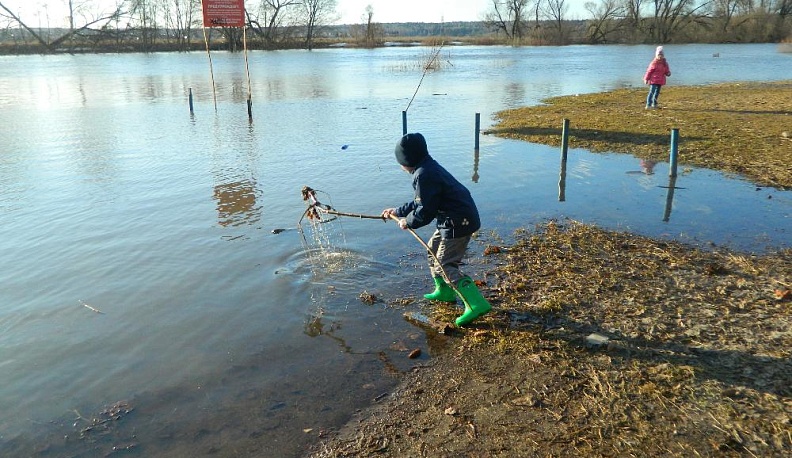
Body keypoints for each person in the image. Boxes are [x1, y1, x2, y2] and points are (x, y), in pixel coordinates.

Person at [381, 133, 491, 327]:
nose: (400, 166)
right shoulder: (426, 169)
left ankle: (476, 304)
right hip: (451, 220)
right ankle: (445, 292)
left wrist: (408, 222)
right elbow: (420, 201)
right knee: (432, 250)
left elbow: (426, 211)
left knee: (445, 264)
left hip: (459, 222)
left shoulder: (424, 174)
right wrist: (397, 211)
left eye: (400, 162)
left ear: (408, 160)